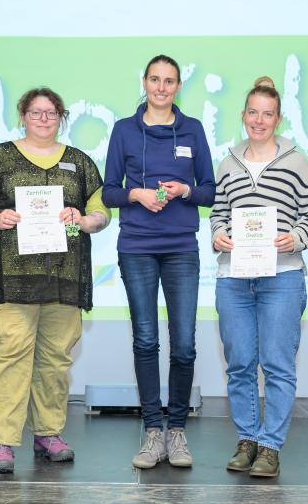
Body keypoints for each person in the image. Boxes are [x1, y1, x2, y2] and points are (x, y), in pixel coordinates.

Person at [0, 87, 109, 474]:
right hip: (11, 278)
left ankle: (48, 433)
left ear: (60, 118)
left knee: (55, 362)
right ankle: (0, 441)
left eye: (50, 113)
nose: (43, 119)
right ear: (23, 116)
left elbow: (101, 215)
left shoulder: (80, 161)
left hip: (64, 278)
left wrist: (82, 219)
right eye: (35, 112)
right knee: (8, 358)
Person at [102, 54, 216, 469]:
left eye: (169, 81)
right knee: (146, 340)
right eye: (155, 79)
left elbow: (209, 190)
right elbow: (108, 191)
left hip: (182, 248)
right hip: (136, 247)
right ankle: (153, 431)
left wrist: (185, 190)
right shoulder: (124, 130)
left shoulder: (193, 129)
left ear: (178, 86)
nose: (162, 88)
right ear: (145, 82)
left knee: (184, 343)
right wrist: (137, 195)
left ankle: (178, 431)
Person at [210, 77, 308, 478]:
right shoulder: (227, 162)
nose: (259, 120)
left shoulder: (297, 160)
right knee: (239, 364)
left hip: (282, 277)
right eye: (252, 112)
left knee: (277, 365)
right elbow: (218, 214)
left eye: (267, 113)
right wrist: (218, 235)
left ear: (278, 118)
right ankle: (247, 440)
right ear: (243, 116)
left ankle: (270, 446)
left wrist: (296, 238)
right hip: (233, 278)